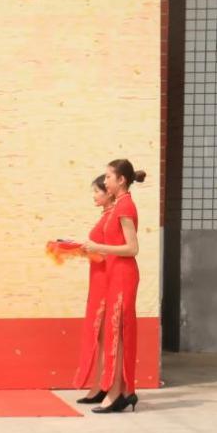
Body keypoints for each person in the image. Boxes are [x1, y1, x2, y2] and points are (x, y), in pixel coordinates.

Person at [83, 159, 145, 412]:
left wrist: (99, 247)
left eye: (109, 177)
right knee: (113, 332)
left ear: (121, 180)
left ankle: (118, 391)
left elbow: (132, 248)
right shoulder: (118, 205)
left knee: (118, 333)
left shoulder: (125, 206)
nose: (105, 180)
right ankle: (118, 389)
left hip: (123, 274)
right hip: (114, 273)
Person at [72, 175, 112, 403]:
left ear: (108, 193)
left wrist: (93, 248)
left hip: (105, 278)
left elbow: (113, 250)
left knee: (104, 334)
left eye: (97, 191)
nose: (94, 196)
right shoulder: (106, 216)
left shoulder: (112, 217)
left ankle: (103, 385)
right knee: (100, 335)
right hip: (97, 277)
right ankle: (99, 385)